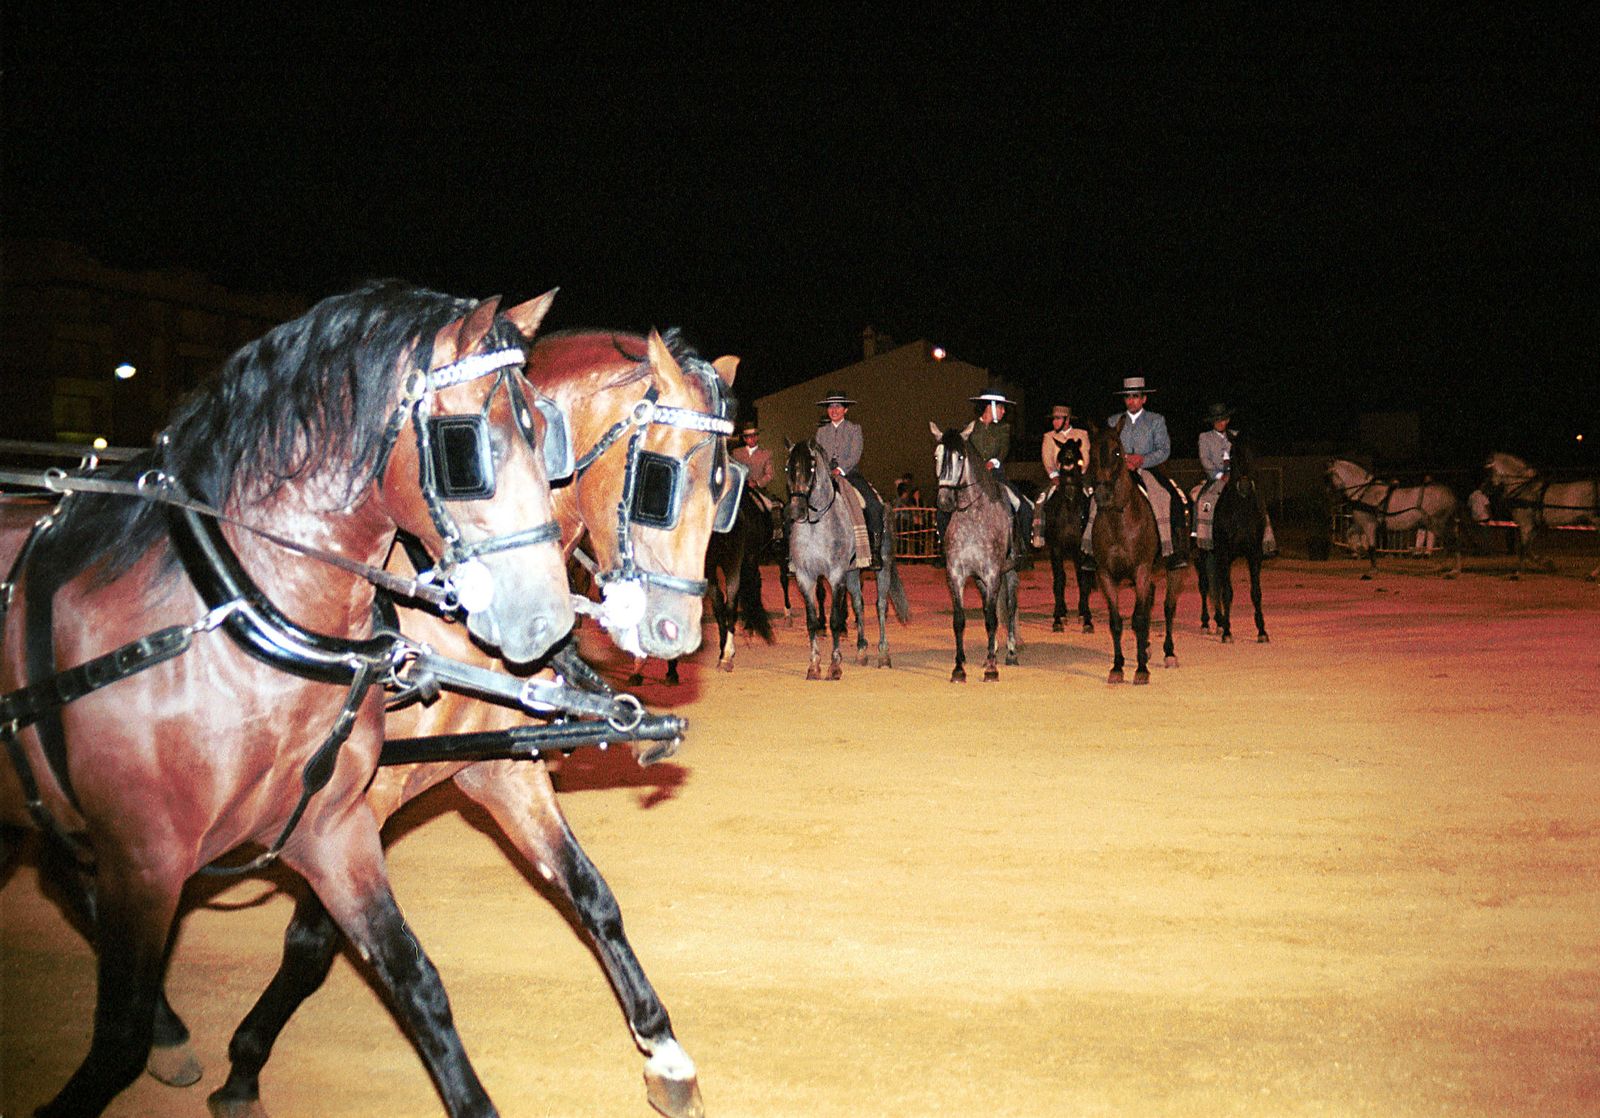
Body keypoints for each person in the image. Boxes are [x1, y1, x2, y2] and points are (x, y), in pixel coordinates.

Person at [1083, 375, 1189, 569]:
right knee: (1094, 499)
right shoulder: (1113, 420)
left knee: (1168, 496)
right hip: (1117, 472)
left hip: (1147, 469)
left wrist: (1142, 459)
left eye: (1135, 396)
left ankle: (1173, 548)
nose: (1131, 401)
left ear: (1143, 399)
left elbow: (1164, 450)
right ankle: (1090, 549)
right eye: (1128, 397)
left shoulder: (1156, 420)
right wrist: (1120, 463)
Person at [1194, 402, 1279, 557]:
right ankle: (1203, 537)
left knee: (1258, 499)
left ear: (1227, 420)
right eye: (1217, 420)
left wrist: (1240, 475)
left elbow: (1244, 458)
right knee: (1204, 501)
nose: (1221, 423)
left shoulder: (1236, 436)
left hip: (1237, 477)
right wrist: (1220, 476)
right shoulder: (1205, 438)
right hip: (1216, 478)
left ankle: (1267, 541)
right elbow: (1205, 460)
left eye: (1223, 419)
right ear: (1213, 422)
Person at [813, 391, 884, 569]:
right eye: (830, 407)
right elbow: (818, 455)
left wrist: (840, 469)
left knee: (874, 505)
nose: (834, 410)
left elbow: (855, 454)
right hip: (826, 475)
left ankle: (874, 552)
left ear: (845, 410)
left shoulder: (854, 429)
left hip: (850, 474)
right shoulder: (821, 432)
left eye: (838, 406)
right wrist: (826, 471)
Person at [965, 389, 1034, 561]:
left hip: (996, 475)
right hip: (973, 477)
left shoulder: (1004, 428)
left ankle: (1023, 549)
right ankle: (945, 551)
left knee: (1024, 508)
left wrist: (993, 461)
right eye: (1001, 407)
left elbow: (1003, 450)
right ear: (991, 406)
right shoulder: (970, 428)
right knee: (945, 507)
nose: (1004, 411)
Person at [1031, 403, 1089, 547]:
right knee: (1041, 499)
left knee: (1092, 498)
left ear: (1067, 420)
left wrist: (1076, 473)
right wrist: (1053, 475)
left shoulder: (1081, 434)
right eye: (1054, 419)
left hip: (1077, 476)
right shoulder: (1049, 436)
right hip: (1057, 476)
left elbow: (1085, 458)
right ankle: (1038, 534)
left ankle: (1090, 538)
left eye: (1057, 418)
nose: (1054, 422)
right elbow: (1047, 459)